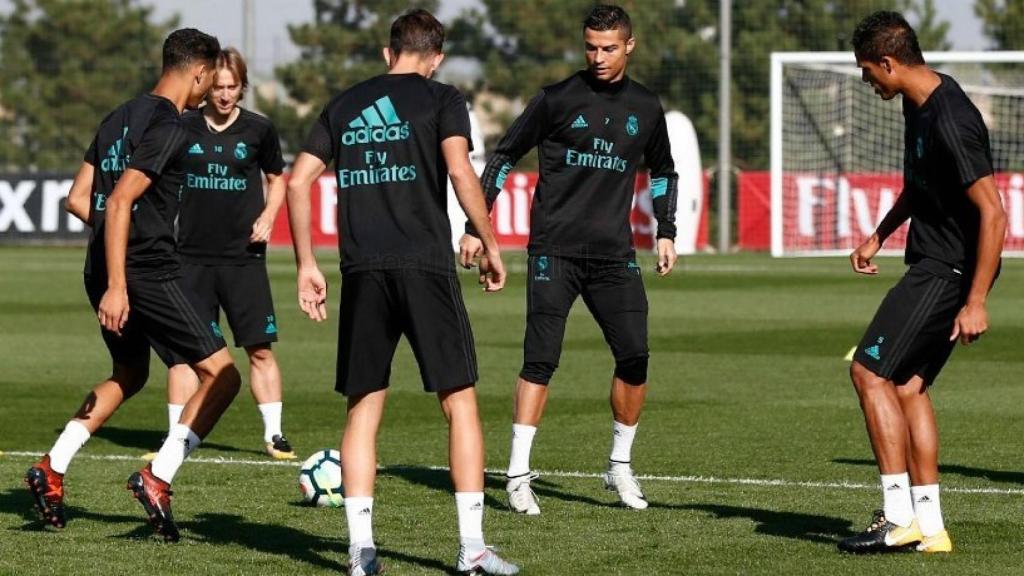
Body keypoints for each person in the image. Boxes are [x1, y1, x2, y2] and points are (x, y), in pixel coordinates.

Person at [286, 9, 519, 576]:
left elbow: (295, 181)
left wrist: (304, 267)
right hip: (423, 265)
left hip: (361, 269)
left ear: (389, 53)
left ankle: (361, 553)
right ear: (434, 57)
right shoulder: (442, 99)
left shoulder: (344, 103)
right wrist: (489, 241)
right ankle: (472, 549)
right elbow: (462, 174)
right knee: (459, 402)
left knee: (364, 409)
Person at [24, 29, 244, 543]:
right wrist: (121, 283)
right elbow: (119, 202)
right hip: (142, 272)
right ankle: (158, 476)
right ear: (198, 72)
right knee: (223, 375)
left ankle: (51, 468)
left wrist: (110, 259)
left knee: (129, 372)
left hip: (101, 266)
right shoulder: (172, 123)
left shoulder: (117, 116)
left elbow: (80, 198)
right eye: (210, 79)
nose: (210, 90)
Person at [459, 4, 679, 514]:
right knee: (540, 360)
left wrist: (666, 231)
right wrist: (477, 225)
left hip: (613, 256)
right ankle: (517, 475)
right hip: (553, 251)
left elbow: (664, 170)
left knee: (635, 356)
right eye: (590, 47)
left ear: (629, 46)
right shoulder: (556, 99)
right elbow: (505, 155)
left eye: (608, 48)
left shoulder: (646, 107)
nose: (598, 57)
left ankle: (619, 467)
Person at [837, 11, 1006, 554]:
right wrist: (879, 235)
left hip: (946, 270)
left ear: (888, 62)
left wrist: (975, 300)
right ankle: (930, 528)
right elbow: (920, 186)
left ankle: (896, 517)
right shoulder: (921, 101)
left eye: (868, 72)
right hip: (939, 265)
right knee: (908, 386)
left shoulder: (951, 118)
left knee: (868, 373)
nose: (868, 82)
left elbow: (995, 213)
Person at [159, 47, 294, 460]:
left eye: (231, 87)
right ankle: (174, 437)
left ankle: (274, 434)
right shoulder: (183, 126)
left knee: (259, 349)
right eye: (217, 87)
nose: (223, 95)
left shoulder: (259, 130)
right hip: (190, 258)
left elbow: (278, 178)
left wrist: (269, 216)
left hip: (243, 258)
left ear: (242, 87)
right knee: (184, 355)